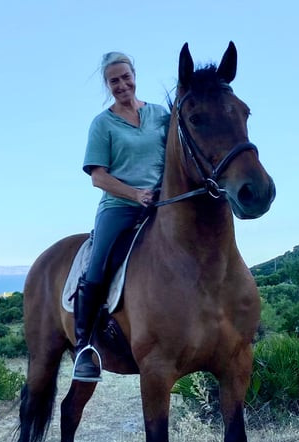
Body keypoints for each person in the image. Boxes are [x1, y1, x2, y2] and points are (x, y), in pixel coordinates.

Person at [73, 52, 170, 382]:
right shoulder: (103, 124)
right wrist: (136, 194)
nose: (122, 84)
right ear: (107, 84)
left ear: (134, 75)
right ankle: (84, 348)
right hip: (119, 207)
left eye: (126, 77)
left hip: (164, 204)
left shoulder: (160, 115)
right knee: (97, 264)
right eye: (114, 80)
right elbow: (98, 177)